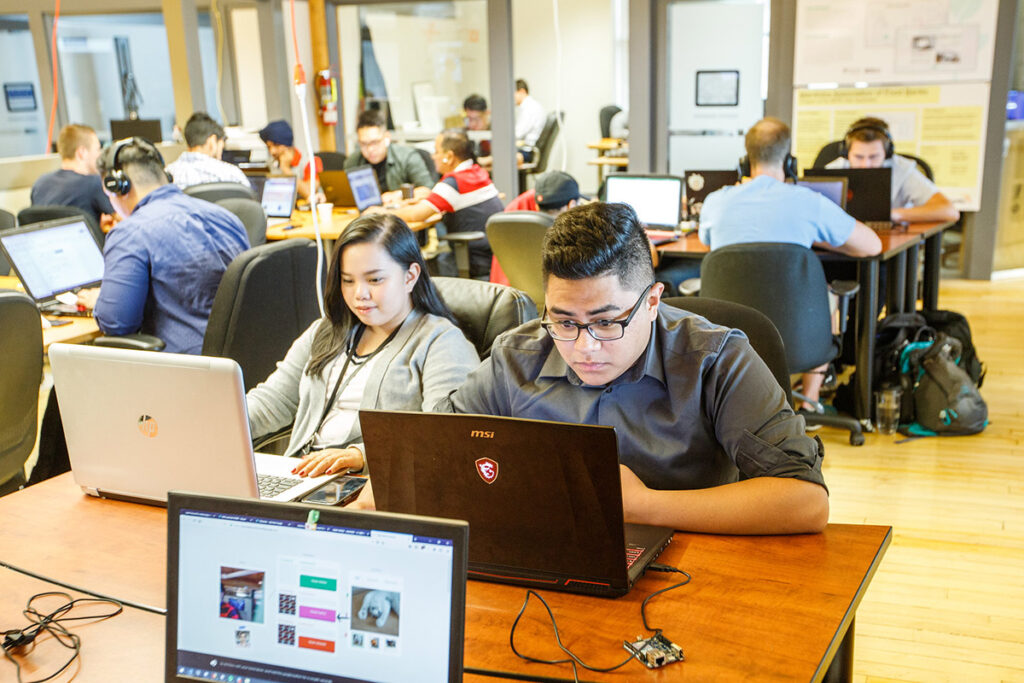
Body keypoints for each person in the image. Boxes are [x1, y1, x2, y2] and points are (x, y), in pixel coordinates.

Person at [434, 202, 828, 535]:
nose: (585, 347)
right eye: (565, 322)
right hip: (549, 552)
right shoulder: (517, 357)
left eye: (607, 322)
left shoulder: (716, 358)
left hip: (691, 565)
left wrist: (643, 506)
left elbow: (805, 500)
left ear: (653, 302)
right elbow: (427, 451)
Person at [246, 213, 479, 478]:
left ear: (410, 276)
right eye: (348, 280)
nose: (360, 294)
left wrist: (361, 456)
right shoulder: (327, 330)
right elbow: (273, 401)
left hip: (375, 485)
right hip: (298, 476)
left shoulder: (440, 342)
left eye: (374, 280)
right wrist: (217, 420)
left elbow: (446, 436)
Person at [699, 117, 881, 409]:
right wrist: (815, 235)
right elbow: (873, 245)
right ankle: (809, 403)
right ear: (790, 162)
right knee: (827, 297)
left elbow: (710, 243)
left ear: (745, 162)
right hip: (800, 337)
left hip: (730, 336)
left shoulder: (715, 203)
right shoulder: (808, 202)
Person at [76, 138, 250, 354]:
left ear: (118, 186)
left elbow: (117, 324)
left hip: (183, 370)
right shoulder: (228, 218)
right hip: (242, 362)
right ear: (165, 176)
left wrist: (101, 301)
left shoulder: (130, 233)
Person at [372, 129, 503, 280]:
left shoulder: (454, 183)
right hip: (492, 257)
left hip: (474, 260)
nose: (433, 156)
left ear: (449, 156)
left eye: (436, 151)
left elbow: (416, 215)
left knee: (412, 269)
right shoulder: (477, 173)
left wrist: (380, 211)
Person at [825, 117, 960, 223]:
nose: (866, 164)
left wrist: (891, 214)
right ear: (846, 153)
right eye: (858, 157)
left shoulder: (902, 170)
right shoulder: (833, 170)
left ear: (887, 153)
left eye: (874, 156)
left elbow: (949, 211)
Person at [31, 123, 116, 230]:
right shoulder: (93, 183)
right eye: (98, 149)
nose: (100, 155)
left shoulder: (40, 184)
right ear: (82, 153)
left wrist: (96, 228)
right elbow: (124, 217)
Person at [343, 109, 434, 202]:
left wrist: (399, 194)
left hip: (401, 212)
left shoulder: (407, 157)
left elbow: (428, 190)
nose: (370, 149)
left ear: (387, 138)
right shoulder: (353, 162)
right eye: (363, 144)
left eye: (375, 142)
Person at [165, 112, 251, 190]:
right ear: (212, 141)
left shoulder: (167, 174)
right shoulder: (232, 174)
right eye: (221, 146)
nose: (221, 153)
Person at [258, 119, 323, 201]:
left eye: (276, 145)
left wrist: (286, 169)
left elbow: (309, 192)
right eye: (269, 147)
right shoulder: (271, 164)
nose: (272, 151)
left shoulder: (311, 162)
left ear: (287, 144)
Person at [514, 79, 546, 160]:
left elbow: (518, 134)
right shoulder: (531, 106)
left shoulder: (530, 108)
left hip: (526, 151)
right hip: (527, 148)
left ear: (522, 91)